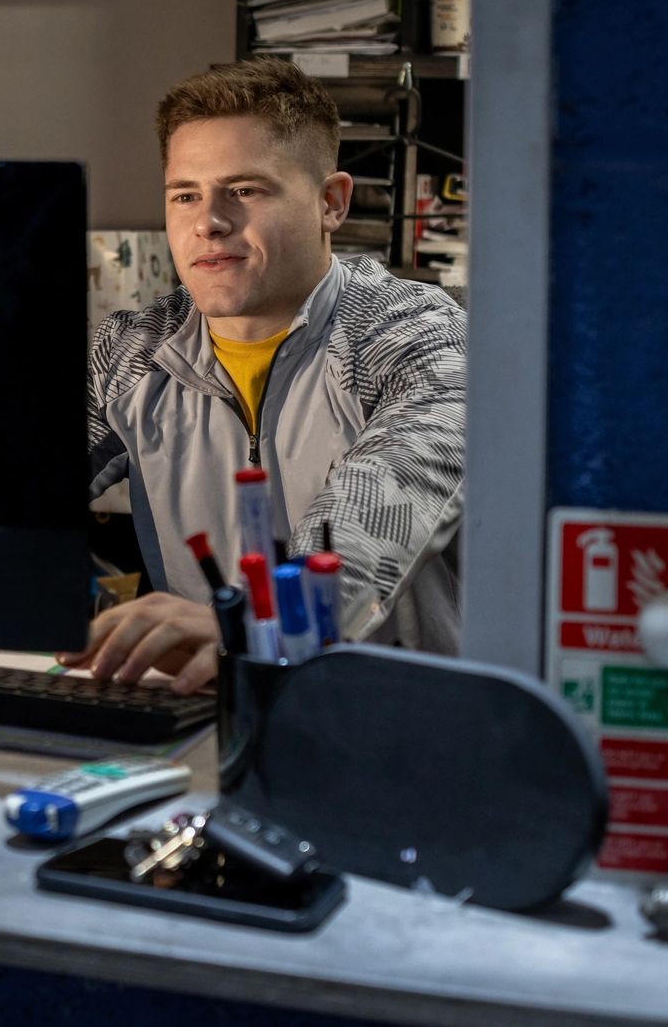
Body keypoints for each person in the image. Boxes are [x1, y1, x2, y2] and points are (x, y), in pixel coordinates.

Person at [60, 59, 465, 695]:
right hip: (211, 715)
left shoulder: (416, 336)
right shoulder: (133, 350)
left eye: (245, 190)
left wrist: (254, 621)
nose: (208, 222)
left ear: (331, 203)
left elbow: (375, 510)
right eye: (185, 194)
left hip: (398, 730)